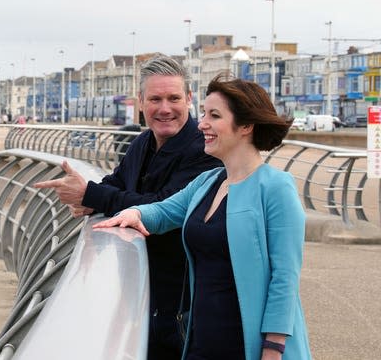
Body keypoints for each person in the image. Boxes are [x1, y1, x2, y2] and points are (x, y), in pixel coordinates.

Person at [94, 76, 311, 360]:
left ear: (246, 126)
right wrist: (133, 213)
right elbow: (164, 210)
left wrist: (273, 349)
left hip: (249, 345)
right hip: (201, 340)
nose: (202, 124)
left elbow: (285, 277)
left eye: (215, 116)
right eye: (204, 113)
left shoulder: (275, 188)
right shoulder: (208, 181)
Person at [34, 56, 222, 359]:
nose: (165, 108)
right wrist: (88, 198)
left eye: (174, 98)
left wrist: (91, 195)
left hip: (180, 305)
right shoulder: (142, 143)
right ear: (141, 101)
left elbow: (162, 206)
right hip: (138, 292)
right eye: (155, 99)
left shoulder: (204, 150)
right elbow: (115, 184)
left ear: (189, 99)